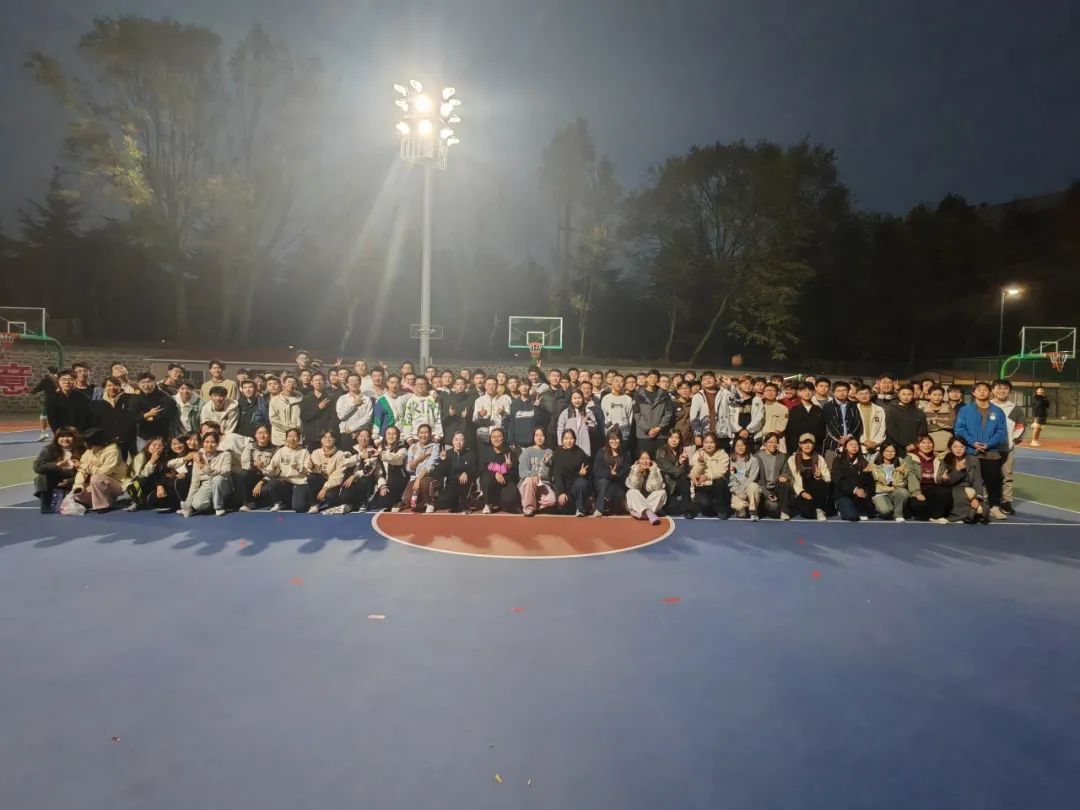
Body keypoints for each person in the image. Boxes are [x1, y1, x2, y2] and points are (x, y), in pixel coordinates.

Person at [953, 381, 1009, 520]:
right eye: (978, 390)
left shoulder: (998, 411)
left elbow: (1001, 432)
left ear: (990, 392)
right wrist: (972, 443)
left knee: (994, 481)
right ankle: (970, 506)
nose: (982, 392)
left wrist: (988, 444)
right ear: (973, 393)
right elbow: (959, 429)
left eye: (985, 389)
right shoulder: (965, 410)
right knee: (970, 481)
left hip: (991, 453)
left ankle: (995, 507)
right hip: (971, 452)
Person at [71, 427, 130, 512]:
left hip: (117, 483)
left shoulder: (112, 450)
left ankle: (103, 505)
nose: (84, 444)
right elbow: (81, 470)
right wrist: (78, 485)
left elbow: (104, 472)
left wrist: (83, 466)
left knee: (96, 478)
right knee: (78, 495)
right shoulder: (89, 452)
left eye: (86, 441)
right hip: (99, 483)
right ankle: (105, 500)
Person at [991, 379, 1025, 516]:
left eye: (1005, 388)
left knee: (1007, 475)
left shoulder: (1015, 408)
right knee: (988, 476)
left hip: (1007, 448)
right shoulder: (986, 406)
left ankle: (1006, 502)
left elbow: (1021, 426)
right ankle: (989, 500)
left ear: (1009, 391)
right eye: (999, 388)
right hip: (988, 448)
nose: (1002, 391)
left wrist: (1014, 440)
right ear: (992, 390)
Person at [179, 431, 233, 517]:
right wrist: (189, 503)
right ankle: (211, 503)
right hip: (206, 484)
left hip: (222, 484)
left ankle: (218, 507)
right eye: (206, 442)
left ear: (217, 443)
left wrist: (206, 469)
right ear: (203, 443)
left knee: (217, 479)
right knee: (197, 505)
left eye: (213, 442)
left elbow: (226, 471)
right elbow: (195, 481)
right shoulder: (198, 457)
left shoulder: (225, 455)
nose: (209, 445)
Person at [938, 436, 990, 524]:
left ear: (965, 448)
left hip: (971, 493)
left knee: (982, 510)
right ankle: (960, 516)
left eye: (961, 447)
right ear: (950, 448)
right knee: (970, 494)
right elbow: (946, 483)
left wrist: (977, 498)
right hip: (952, 491)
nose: (958, 449)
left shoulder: (973, 460)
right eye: (955, 446)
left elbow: (977, 481)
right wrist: (958, 471)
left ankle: (963, 516)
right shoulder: (946, 460)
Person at [33, 427, 84, 513]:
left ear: (75, 437)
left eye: (69, 436)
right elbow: (37, 467)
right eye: (62, 436)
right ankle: (47, 505)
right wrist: (57, 465)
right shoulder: (49, 450)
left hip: (76, 480)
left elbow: (88, 471)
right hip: (56, 480)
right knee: (41, 477)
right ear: (57, 438)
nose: (65, 439)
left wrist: (70, 480)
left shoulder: (83, 450)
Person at [395, 423, 442, 513]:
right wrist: (419, 459)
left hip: (431, 476)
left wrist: (419, 479)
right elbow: (409, 468)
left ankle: (430, 502)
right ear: (417, 434)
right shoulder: (413, 447)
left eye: (426, 433)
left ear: (430, 434)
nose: (423, 435)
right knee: (408, 498)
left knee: (423, 484)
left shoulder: (435, 447)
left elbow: (429, 467)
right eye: (421, 433)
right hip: (415, 477)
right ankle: (416, 503)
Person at [265, 428, 312, 512]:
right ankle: (280, 503)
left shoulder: (304, 452)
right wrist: (266, 468)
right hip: (286, 481)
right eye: (289, 436)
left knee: (299, 508)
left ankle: (303, 500)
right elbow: (270, 469)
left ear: (299, 438)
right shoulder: (281, 451)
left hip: (300, 482)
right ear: (286, 438)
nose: (292, 439)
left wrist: (299, 468)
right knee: (273, 483)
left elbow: (308, 471)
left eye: (295, 436)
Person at [90, 376, 138, 459]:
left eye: (115, 385)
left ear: (120, 386)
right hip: (105, 442)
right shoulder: (97, 404)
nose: (112, 388)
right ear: (104, 388)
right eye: (109, 385)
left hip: (125, 440)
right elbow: (96, 424)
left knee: (123, 463)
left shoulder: (130, 399)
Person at [786, 433, 831, 521]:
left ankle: (819, 509)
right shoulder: (792, 459)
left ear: (814, 445)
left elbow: (828, 479)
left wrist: (819, 476)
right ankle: (813, 509)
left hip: (816, 493)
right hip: (800, 492)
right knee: (807, 514)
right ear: (800, 444)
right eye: (804, 443)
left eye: (810, 443)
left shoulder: (819, 459)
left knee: (819, 482)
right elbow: (791, 480)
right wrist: (802, 492)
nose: (807, 446)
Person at [126, 436, 178, 511]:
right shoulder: (141, 456)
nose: (157, 447)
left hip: (155, 483)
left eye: (160, 445)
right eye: (154, 445)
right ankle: (138, 501)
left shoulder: (164, 456)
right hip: (138, 484)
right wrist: (152, 461)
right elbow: (141, 475)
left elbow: (163, 473)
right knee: (138, 482)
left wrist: (160, 484)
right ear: (148, 446)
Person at [870, 442, 919, 521]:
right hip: (880, 493)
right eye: (887, 451)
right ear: (882, 452)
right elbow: (870, 484)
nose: (890, 453)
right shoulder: (873, 466)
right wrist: (883, 488)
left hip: (895, 491)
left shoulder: (901, 465)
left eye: (892, 451)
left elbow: (906, 481)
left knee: (903, 492)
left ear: (896, 452)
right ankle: (882, 509)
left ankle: (898, 514)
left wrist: (903, 473)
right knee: (886, 511)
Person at [307, 430, 352, 514]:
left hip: (333, 484)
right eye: (325, 437)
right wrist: (311, 467)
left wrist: (325, 488)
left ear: (334, 439)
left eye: (330, 437)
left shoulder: (340, 454)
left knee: (330, 496)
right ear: (321, 439)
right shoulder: (316, 452)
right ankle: (314, 504)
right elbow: (314, 471)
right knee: (311, 478)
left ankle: (331, 503)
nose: (327, 439)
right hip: (320, 481)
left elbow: (339, 475)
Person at [127, 372, 177, 446]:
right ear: (138, 384)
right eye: (143, 382)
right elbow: (131, 417)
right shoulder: (135, 398)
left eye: (149, 382)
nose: (146, 385)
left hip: (162, 436)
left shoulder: (165, 398)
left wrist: (147, 417)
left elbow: (167, 416)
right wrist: (147, 415)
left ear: (155, 382)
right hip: (142, 436)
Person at [831, 437, 874, 521]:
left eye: (856, 445)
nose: (854, 447)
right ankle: (839, 506)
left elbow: (869, 482)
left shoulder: (863, 462)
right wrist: (854, 490)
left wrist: (864, 491)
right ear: (845, 447)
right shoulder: (838, 461)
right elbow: (838, 480)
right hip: (843, 494)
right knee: (852, 516)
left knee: (867, 515)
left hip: (858, 495)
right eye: (851, 445)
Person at [690, 432, 732, 518]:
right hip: (703, 486)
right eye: (706, 442)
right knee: (705, 505)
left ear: (716, 443)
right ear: (703, 443)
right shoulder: (698, 454)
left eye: (712, 442)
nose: (709, 445)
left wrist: (707, 476)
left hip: (718, 486)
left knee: (720, 481)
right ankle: (712, 507)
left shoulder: (723, 454)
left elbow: (721, 471)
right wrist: (700, 464)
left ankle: (722, 510)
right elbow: (693, 474)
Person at [478, 427, 519, 514]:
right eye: (494, 437)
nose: (496, 439)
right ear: (490, 439)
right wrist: (494, 474)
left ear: (503, 438)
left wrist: (510, 467)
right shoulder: (485, 452)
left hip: (505, 482)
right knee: (486, 478)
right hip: (490, 482)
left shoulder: (510, 453)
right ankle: (488, 503)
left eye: (499, 436)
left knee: (510, 499)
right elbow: (481, 470)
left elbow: (515, 474)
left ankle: (501, 502)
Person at [339, 428, 381, 512]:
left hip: (365, 479)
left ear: (370, 438)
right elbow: (344, 462)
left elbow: (369, 469)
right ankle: (351, 503)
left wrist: (355, 475)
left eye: (367, 437)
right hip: (350, 479)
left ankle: (363, 501)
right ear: (357, 437)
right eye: (361, 436)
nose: (364, 439)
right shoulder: (350, 449)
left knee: (364, 480)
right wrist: (359, 457)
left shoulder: (373, 451)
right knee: (344, 497)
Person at [552, 429, 591, 516]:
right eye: (566, 438)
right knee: (565, 511)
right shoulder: (557, 453)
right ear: (562, 440)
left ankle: (580, 509)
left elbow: (587, 472)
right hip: (563, 487)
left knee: (582, 483)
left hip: (575, 487)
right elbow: (557, 475)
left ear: (575, 439)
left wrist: (584, 473)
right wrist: (561, 492)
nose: (569, 441)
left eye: (571, 438)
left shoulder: (580, 453)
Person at [754, 432, 793, 520]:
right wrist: (767, 493)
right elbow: (756, 479)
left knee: (785, 484)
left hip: (776, 488)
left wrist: (784, 476)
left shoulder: (782, 456)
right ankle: (764, 507)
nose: (773, 445)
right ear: (765, 443)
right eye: (770, 442)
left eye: (775, 442)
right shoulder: (757, 457)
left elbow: (786, 471)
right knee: (772, 508)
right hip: (762, 489)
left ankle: (784, 511)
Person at [655, 431, 695, 517]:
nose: (674, 440)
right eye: (671, 437)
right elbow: (667, 467)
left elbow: (684, 469)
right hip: (666, 483)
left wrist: (680, 462)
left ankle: (687, 509)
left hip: (677, 481)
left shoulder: (681, 451)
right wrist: (681, 468)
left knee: (685, 479)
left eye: (677, 438)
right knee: (672, 510)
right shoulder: (662, 450)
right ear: (668, 438)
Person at [635, 369, 674, 457]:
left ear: (658, 380)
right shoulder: (638, 394)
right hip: (643, 434)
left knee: (660, 459)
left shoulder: (664, 395)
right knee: (644, 459)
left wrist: (658, 428)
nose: (652, 379)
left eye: (655, 378)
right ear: (646, 378)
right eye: (650, 377)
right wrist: (648, 429)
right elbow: (637, 414)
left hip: (660, 434)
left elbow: (668, 413)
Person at [518, 428, 556, 517]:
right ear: (533, 437)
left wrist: (547, 464)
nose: (539, 438)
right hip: (528, 484)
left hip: (543, 484)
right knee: (529, 481)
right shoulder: (527, 451)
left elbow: (549, 476)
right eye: (537, 435)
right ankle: (528, 508)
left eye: (542, 435)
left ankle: (534, 503)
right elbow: (522, 472)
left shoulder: (549, 452)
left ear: (545, 437)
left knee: (552, 501)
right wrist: (533, 475)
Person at [369, 425, 408, 511]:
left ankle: (399, 500)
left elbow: (396, 458)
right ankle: (393, 500)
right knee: (379, 503)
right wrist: (382, 485)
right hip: (385, 481)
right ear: (385, 435)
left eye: (394, 434)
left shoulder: (403, 449)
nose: (391, 436)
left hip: (398, 480)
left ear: (398, 436)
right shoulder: (380, 449)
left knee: (394, 477)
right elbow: (378, 470)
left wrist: (381, 455)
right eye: (389, 434)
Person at [435, 431, 476, 512]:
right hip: (452, 483)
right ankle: (455, 501)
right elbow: (441, 473)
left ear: (464, 442)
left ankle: (466, 500)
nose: (458, 442)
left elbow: (475, 470)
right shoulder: (447, 453)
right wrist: (443, 461)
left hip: (465, 483)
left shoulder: (470, 454)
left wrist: (467, 473)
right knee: (443, 503)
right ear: (452, 441)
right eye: (456, 440)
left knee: (463, 503)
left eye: (461, 440)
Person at [238, 424, 276, 511]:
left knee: (265, 490)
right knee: (243, 474)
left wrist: (262, 480)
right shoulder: (249, 447)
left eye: (265, 433)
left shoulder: (275, 449)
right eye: (259, 433)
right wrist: (256, 466)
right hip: (253, 474)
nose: (262, 436)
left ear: (269, 435)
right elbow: (245, 463)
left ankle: (262, 502)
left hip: (267, 477)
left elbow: (274, 469)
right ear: (255, 435)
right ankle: (247, 503)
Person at [821, 380, 862, 461]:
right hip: (833, 444)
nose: (841, 393)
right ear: (833, 393)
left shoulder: (853, 405)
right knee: (832, 466)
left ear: (848, 391)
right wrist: (840, 438)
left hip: (851, 443)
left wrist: (849, 436)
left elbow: (857, 422)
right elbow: (828, 425)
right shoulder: (828, 406)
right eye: (838, 391)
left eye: (844, 390)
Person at [884, 383, 928, 457]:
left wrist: (915, 444)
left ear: (913, 395)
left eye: (909, 394)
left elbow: (922, 432)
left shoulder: (919, 412)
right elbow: (891, 430)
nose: (906, 397)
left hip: (915, 449)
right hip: (895, 449)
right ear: (899, 395)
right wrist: (905, 444)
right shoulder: (891, 410)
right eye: (903, 394)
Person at [593, 430, 630, 516]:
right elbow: (597, 471)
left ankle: (611, 504)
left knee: (616, 496)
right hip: (603, 481)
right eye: (612, 439)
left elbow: (626, 470)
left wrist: (616, 475)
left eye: (616, 439)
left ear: (620, 439)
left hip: (618, 481)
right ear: (608, 440)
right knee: (604, 482)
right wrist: (610, 473)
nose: (614, 441)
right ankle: (599, 509)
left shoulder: (625, 453)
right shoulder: (601, 452)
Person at [624, 450, 666, 525]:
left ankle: (643, 513)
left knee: (662, 492)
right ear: (638, 460)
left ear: (651, 460)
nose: (644, 461)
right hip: (636, 502)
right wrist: (636, 471)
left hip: (651, 501)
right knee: (631, 492)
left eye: (647, 459)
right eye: (642, 459)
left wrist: (653, 471)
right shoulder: (633, 468)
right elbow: (632, 485)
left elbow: (658, 487)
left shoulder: (656, 469)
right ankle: (649, 513)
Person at [46, 369, 92, 434]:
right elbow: (52, 419)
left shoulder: (83, 398)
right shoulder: (52, 399)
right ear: (58, 381)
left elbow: (85, 418)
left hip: (79, 433)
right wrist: (59, 432)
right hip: (60, 433)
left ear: (75, 381)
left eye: (70, 379)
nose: (67, 382)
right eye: (63, 379)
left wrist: (77, 432)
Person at [300, 372, 337, 450]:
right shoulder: (306, 398)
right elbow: (304, 417)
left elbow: (333, 418)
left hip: (326, 437)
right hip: (311, 436)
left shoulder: (330, 398)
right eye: (316, 380)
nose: (318, 382)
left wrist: (330, 432)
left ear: (325, 382)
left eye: (321, 380)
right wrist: (318, 408)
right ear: (311, 382)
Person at [785, 382, 825, 455]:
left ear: (814, 392)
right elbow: (789, 432)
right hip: (796, 448)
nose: (807, 393)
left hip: (815, 449)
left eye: (810, 390)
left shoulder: (819, 410)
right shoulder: (793, 410)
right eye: (804, 390)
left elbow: (822, 431)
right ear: (798, 392)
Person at [728, 436, 762, 520]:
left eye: (743, 445)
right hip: (737, 490)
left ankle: (753, 510)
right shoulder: (731, 460)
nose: (740, 447)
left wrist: (743, 491)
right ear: (734, 447)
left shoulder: (753, 460)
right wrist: (738, 492)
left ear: (746, 446)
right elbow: (731, 479)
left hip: (749, 489)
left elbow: (752, 477)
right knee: (740, 512)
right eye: (737, 445)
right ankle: (745, 507)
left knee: (753, 486)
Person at [400, 376, 443, 444]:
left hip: (432, 437)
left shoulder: (433, 399)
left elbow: (438, 418)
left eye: (423, 384)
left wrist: (438, 435)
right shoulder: (411, 400)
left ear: (427, 385)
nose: (421, 386)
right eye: (419, 384)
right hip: (415, 437)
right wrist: (408, 437)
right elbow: (407, 419)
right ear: (415, 386)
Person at [557, 389, 599, 458]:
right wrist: (561, 443)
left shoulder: (588, 412)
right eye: (574, 398)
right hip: (569, 444)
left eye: (579, 398)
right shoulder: (566, 413)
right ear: (571, 400)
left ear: (583, 399)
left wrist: (588, 422)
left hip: (583, 443)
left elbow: (594, 427)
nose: (577, 400)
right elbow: (560, 428)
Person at [472, 376, 512, 448]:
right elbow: (474, 420)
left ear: (497, 386)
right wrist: (480, 414)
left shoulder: (505, 400)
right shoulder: (479, 400)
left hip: (500, 437)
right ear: (485, 386)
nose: (491, 387)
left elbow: (510, 419)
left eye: (493, 384)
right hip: (484, 437)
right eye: (488, 385)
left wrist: (503, 413)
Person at [728, 376, 764, 446]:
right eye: (745, 383)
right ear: (739, 385)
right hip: (736, 434)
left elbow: (759, 417)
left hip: (752, 435)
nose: (748, 385)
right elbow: (730, 416)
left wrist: (748, 430)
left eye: (751, 384)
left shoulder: (757, 400)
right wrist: (739, 430)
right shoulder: (733, 399)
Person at [269, 375, 304, 447]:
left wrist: (297, 429)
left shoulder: (301, 399)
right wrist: (289, 428)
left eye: (294, 383)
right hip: (280, 436)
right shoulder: (275, 400)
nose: (291, 384)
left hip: (297, 436)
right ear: (283, 384)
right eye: (289, 382)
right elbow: (273, 419)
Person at [373, 374, 409, 442]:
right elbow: (377, 420)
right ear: (387, 383)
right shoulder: (381, 400)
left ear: (400, 384)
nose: (394, 385)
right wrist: (375, 438)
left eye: (397, 383)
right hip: (386, 436)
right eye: (392, 383)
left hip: (402, 435)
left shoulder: (405, 397)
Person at [854, 384, 887, 458]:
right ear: (856, 396)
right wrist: (864, 441)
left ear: (871, 394)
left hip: (876, 447)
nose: (864, 396)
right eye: (861, 394)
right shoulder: (853, 409)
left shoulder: (879, 409)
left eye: (866, 393)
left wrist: (875, 442)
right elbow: (854, 429)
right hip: (859, 447)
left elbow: (883, 428)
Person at [600, 374, 634, 444]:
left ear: (624, 384)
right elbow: (604, 414)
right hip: (610, 427)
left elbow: (630, 416)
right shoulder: (606, 398)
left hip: (624, 428)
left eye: (621, 381)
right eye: (616, 381)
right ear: (612, 383)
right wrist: (609, 426)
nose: (619, 383)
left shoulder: (628, 399)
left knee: (624, 448)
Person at [923, 385, 955, 453]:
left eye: (940, 395)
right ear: (929, 396)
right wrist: (943, 423)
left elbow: (951, 424)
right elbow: (922, 426)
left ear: (943, 396)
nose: (937, 397)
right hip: (927, 444)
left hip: (946, 444)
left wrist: (933, 421)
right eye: (934, 395)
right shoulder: (922, 409)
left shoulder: (949, 408)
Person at [759, 383, 790, 452]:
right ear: (763, 393)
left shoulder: (783, 408)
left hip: (778, 439)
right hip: (761, 439)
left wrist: (772, 436)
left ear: (777, 393)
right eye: (768, 390)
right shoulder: (760, 407)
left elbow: (782, 425)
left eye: (773, 391)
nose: (770, 393)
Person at [31, 366, 58, 441]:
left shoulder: (46, 380)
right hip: (59, 401)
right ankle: (58, 433)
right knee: (58, 417)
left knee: (43, 417)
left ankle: (43, 433)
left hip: (48, 402)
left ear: (48, 371)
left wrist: (31, 391)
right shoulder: (60, 379)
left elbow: (37, 389)